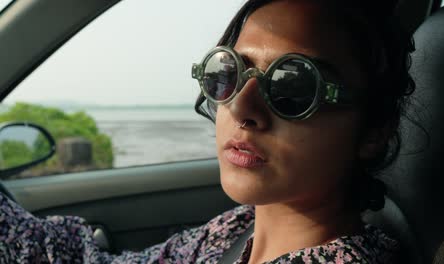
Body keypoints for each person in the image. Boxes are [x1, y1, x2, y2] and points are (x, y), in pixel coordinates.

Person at [0, 0, 415, 263]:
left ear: (373, 132)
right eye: (229, 72)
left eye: (293, 86)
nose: (240, 106)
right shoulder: (239, 230)